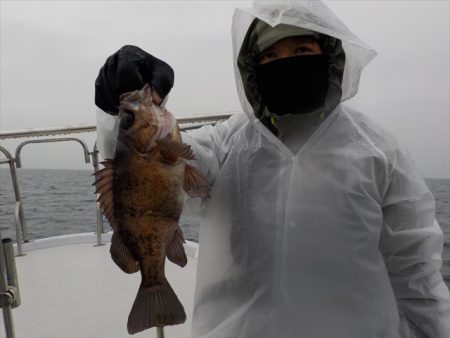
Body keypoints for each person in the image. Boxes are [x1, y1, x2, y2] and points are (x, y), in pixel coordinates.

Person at [95, 1, 450, 337]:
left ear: (329, 56)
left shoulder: (377, 149)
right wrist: (117, 108)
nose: (286, 63)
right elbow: (144, 167)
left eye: (301, 50)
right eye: (270, 55)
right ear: (252, 69)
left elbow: (415, 269)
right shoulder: (229, 140)